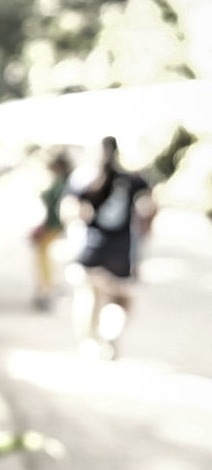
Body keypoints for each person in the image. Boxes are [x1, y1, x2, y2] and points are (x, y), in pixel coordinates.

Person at [68, 136, 153, 360]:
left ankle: (88, 341)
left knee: (88, 296)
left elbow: (70, 212)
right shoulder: (132, 180)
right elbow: (149, 207)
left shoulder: (83, 178)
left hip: (91, 247)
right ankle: (110, 336)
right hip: (120, 250)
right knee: (120, 299)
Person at [30, 154, 71, 310]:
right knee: (43, 255)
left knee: (44, 256)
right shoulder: (62, 182)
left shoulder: (61, 183)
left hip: (53, 224)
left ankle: (48, 286)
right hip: (52, 223)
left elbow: (53, 200)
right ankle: (47, 285)